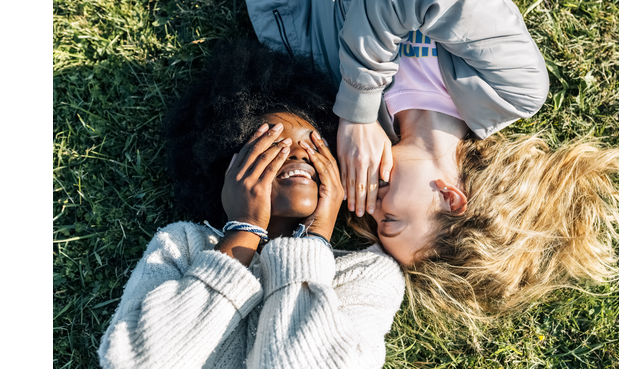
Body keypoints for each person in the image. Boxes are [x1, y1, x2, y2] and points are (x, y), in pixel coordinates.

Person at [246, 0, 619, 323]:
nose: (369, 205)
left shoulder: (326, 88)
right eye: (391, 220)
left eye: (376, 223)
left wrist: (348, 107)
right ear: (451, 199)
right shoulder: (513, 88)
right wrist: (359, 109)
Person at [98, 40, 405, 369]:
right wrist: (245, 229)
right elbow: (133, 362)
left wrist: (315, 241)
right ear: (229, 168)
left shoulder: (367, 277)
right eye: (273, 144)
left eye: (315, 144)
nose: (300, 153)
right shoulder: (180, 247)